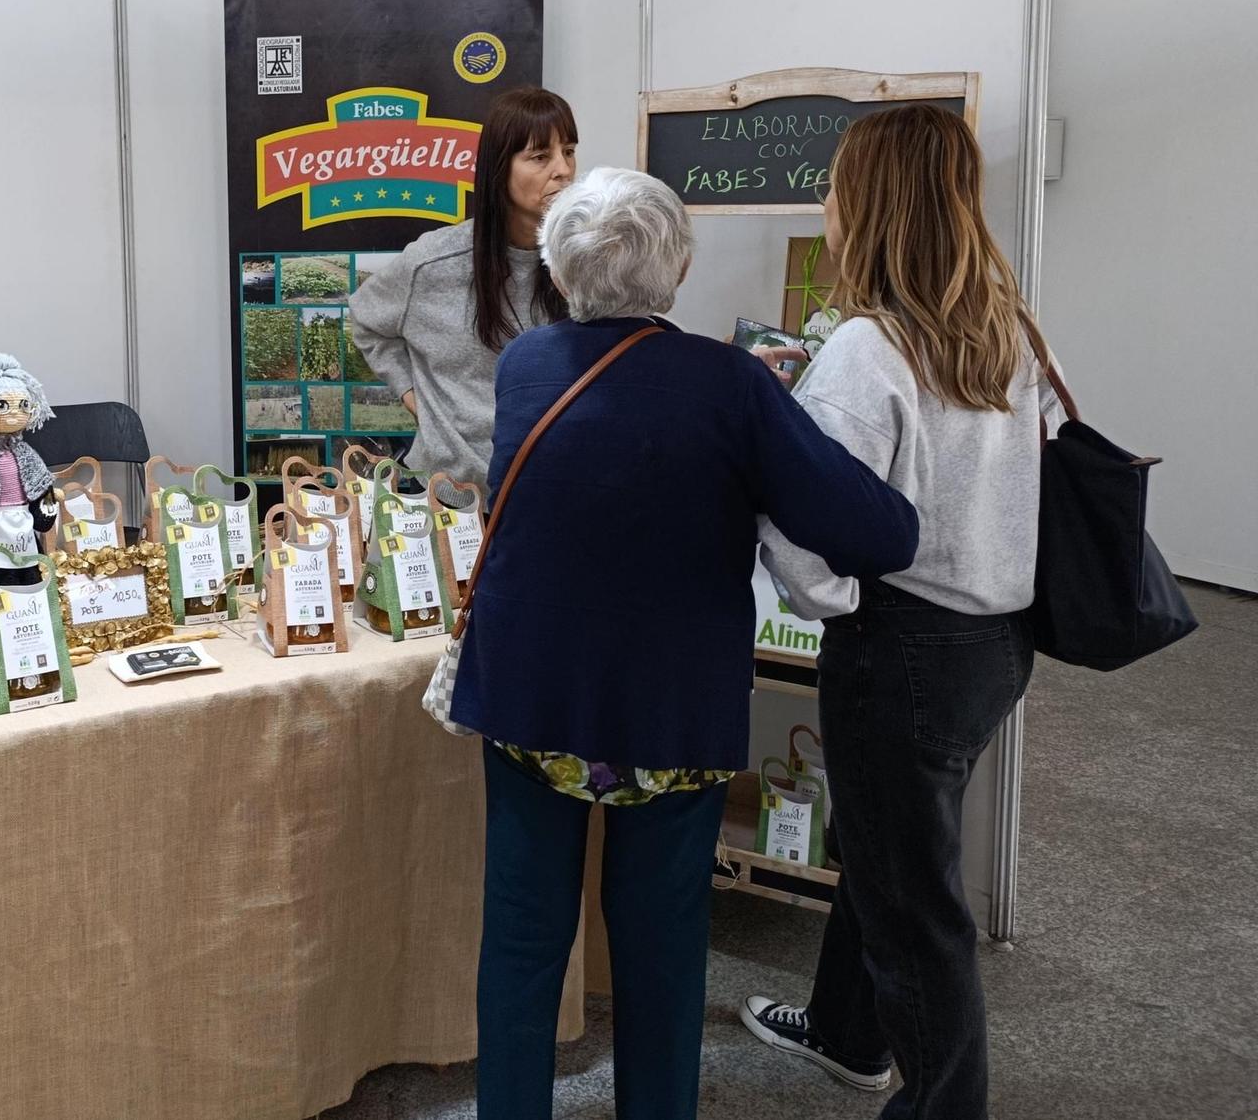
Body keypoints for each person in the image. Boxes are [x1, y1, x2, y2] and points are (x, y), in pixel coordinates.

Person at [448, 167, 921, 1120]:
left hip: (535, 701)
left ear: (558, 266)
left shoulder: (526, 365)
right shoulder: (730, 382)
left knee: (523, 943)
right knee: (662, 949)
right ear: (682, 266)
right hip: (671, 712)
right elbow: (878, 532)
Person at [741, 104, 1058, 1120]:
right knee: (887, 846)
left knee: (914, 904)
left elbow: (799, 521)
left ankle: (939, 1105)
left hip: (899, 649)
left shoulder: (864, 352)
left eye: (833, 185)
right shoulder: (1006, 330)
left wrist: (831, 603)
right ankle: (844, 1032)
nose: (823, 204)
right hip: (995, 644)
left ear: (867, 206)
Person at [347, 85, 577, 489]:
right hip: (448, 496)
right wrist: (413, 397)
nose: (563, 170)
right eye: (540, 156)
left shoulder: (581, 265)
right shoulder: (433, 263)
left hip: (544, 491)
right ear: (499, 167)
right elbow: (366, 321)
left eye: (569, 151)